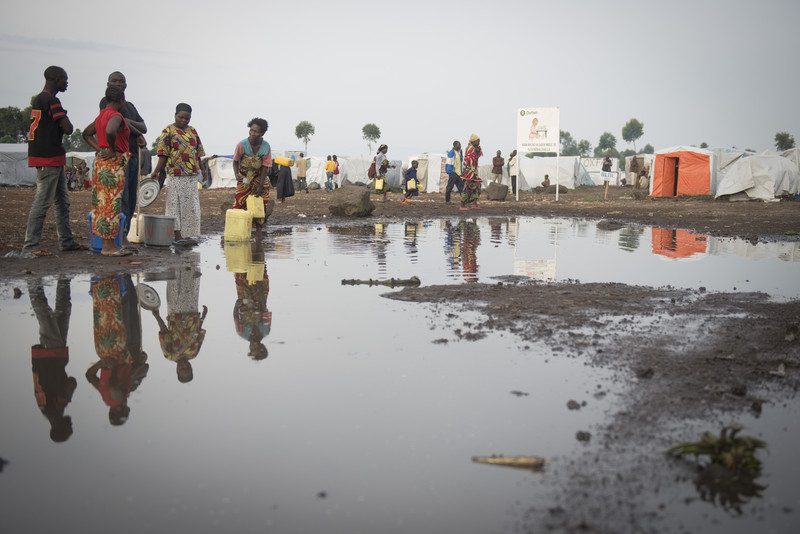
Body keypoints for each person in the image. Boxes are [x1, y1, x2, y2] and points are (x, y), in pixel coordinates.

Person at [23, 66, 86, 256]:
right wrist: (64, 118)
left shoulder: (38, 99)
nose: (66, 83)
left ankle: (66, 241)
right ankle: (30, 246)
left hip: (50, 157)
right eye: (64, 79)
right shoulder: (52, 100)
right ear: (56, 79)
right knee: (42, 202)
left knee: (62, 202)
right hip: (48, 156)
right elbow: (68, 128)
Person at [85, 274, 149, 426]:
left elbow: (114, 386)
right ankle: (101, 280)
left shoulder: (117, 399)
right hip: (107, 350)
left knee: (120, 313)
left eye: (126, 411)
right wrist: (101, 363)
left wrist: (111, 365)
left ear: (120, 411)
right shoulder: (106, 398)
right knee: (106, 317)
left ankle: (119, 277)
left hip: (118, 350)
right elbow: (89, 375)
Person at [82, 86, 134, 256]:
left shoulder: (100, 116)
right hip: (112, 165)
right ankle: (109, 247)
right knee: (112, 204)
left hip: (101, 164)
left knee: (101, 204)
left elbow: (86, 134)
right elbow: (111, 130)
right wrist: (111, 148)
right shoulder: (115, 115)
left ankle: (107, 244)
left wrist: (99, 148)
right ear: (121, 100)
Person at [28, 276, 76, 442]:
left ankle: (33, 281)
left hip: (51, 354)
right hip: (55, 353)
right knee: (63, 310)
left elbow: (72, 382)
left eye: (68, 429)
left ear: (60, 428)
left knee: (45, 313)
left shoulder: (54, 409)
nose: (71, 426)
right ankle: (63, 279)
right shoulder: (48, 410)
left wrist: (66, 396)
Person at [149, 103, 205, 245]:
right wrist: (156, 171)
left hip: (191, 175)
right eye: (181, 117)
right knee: (175, 205)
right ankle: (177, 235)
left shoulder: (193, 131)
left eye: (187, 118)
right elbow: (163, 155)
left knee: (190, 206)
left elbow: (198, 153)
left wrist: (202, 169)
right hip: (175, 174)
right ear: (175, 115)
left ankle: (188, 235)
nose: (184, 121)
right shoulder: (168, 131)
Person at [99, 72, 147, 234]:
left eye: (121, 81)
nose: (118, 83)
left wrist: (129, 124)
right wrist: (137, 132)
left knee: (132, 198)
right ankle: (119, 236)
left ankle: (123, 234)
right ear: (108, 84)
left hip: (133, 155)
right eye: (114, 81)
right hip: (119, 157)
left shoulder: (130, 106)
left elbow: (144, 127)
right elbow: (114, 125)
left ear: (126, 85)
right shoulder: (106, 103)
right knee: (121, 198)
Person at [152, 262, 207, 383]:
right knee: (191, 282)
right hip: (192, 311)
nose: (184, 366)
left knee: (175, 283)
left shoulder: (170, 354)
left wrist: (157, 316)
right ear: (191, 368)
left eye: (182, 369)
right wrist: (203, 317)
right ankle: (189, 260)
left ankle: (174, 259)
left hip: (176, 313)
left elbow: (164, 332)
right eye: (187, 368)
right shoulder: (193, 354)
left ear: (177, 370)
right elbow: (198, 334)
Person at [232, 117, 273, 235]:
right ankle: (238, 229)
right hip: (245, 177)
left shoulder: (266, 146)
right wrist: (236, 174)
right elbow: (235, 161)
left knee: (260, 204)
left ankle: (259, 230)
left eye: (256, 131)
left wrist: (260, 185)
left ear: (262, 133)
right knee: (239, 201)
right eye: (251, 130)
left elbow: (265, 166)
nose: (252, 133)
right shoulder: (242, 145)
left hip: (260, 176)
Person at [460, 134, 483, 211]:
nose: (479, 142)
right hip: (469, 171)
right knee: (467, 187)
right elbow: (469, 160)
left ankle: (474, 203)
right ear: (473, 141)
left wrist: (477, 149)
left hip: (474, 170)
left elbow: (479, 155)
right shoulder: (470, 148)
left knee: (477, 186)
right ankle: (462, 204)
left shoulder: (475, 148)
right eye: (478, 141)